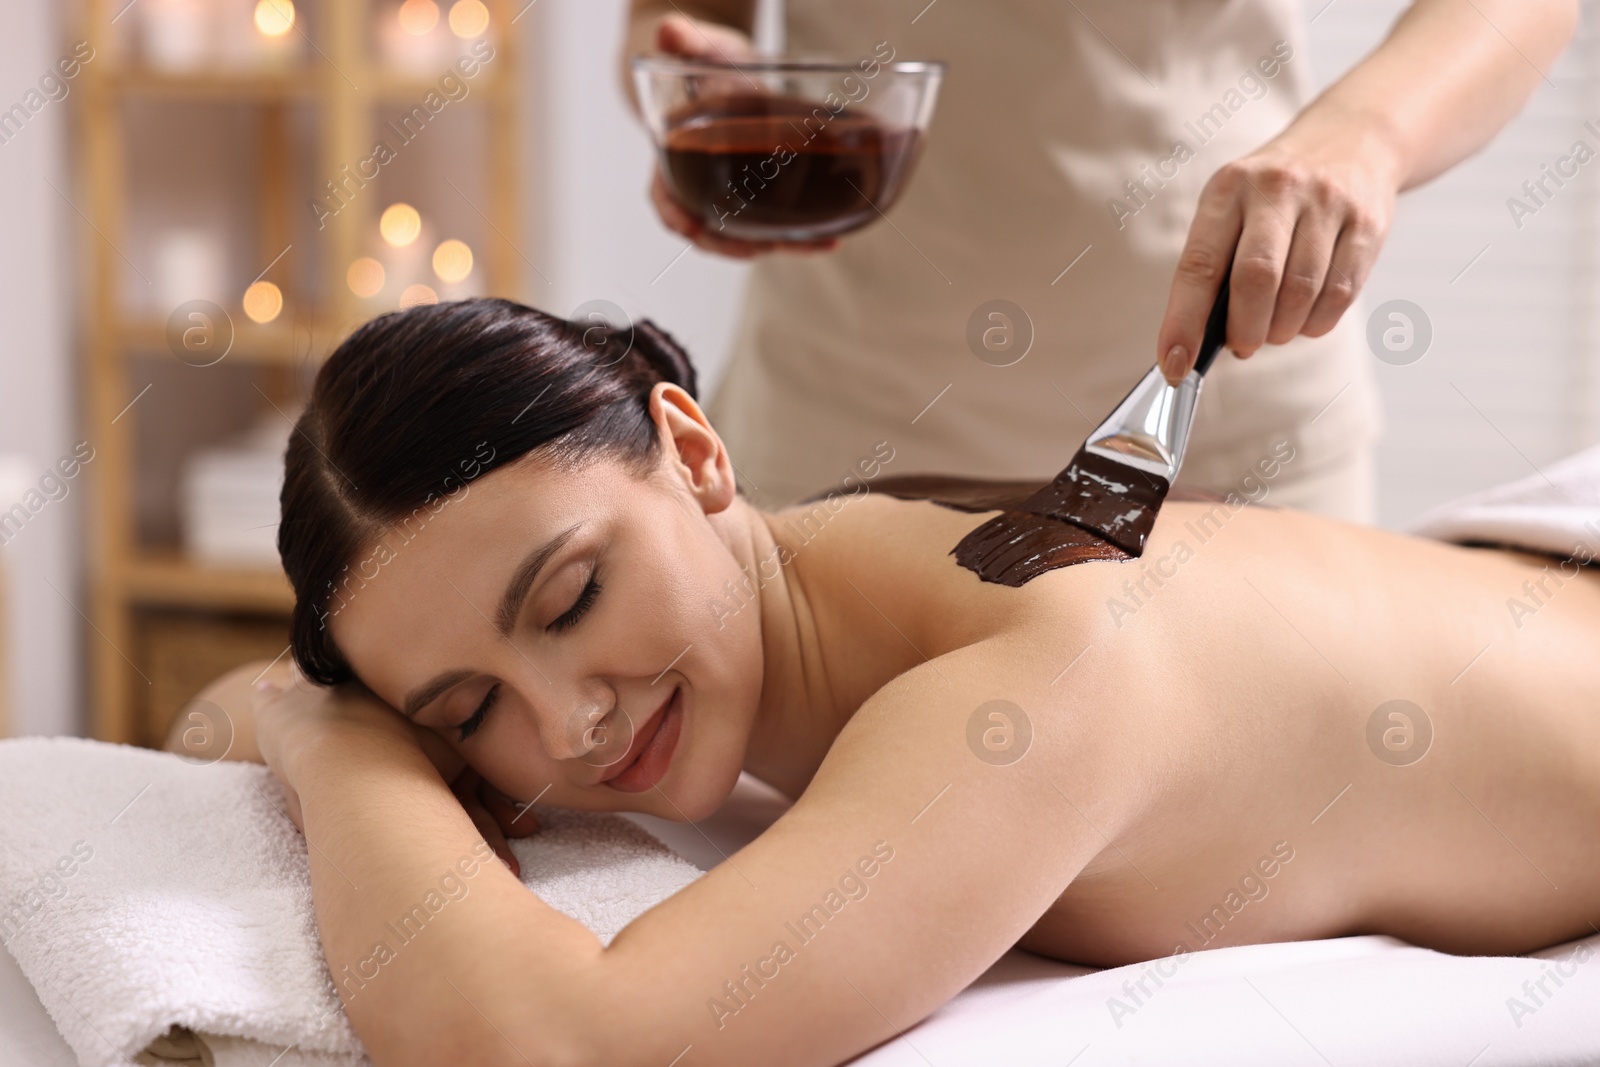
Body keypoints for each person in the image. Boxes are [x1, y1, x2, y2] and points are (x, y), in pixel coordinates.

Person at [171, 299, 1600, 1066]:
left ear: (696, 448)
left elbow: (559, 1046)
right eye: (465, 710)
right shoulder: (874, 561)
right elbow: (209, 707)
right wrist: (326, 706)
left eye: (570, 595)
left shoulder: (1035, 668)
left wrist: (333, 743)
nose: (567, 724)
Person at [620, 0, 1578, 523]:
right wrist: (693, 80)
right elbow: (679, 17)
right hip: (843, 433)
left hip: (1224, 429)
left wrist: (1365, 136)